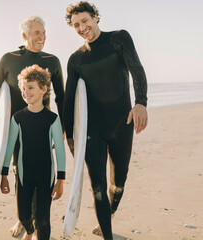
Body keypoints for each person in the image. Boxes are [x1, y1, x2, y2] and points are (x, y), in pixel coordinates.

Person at [63, 2, 148, 240]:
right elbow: (69, 101)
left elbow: (137, 69)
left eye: (85, 21)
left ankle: (110, 212)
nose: (82, 27)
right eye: (76, 25)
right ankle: (107, 235)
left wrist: (141, 102)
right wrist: (69, 135)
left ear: (96, 17)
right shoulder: (76, 60)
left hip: (123, 124)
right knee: (97, 187)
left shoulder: (119, 39)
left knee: (118, 181)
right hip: (92, 132)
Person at [0, 16, 65, 238]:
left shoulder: (53, 60)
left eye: (43, 32)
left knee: (39, 172)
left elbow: (62, 97)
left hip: (41, 128)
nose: (42, 37)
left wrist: (64, 128)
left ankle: (34, 224)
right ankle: (24, 220)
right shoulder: (9, 59)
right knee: (20, 173)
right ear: (24, 36)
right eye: (36, 33)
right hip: (15, 126)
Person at [0, 64, 66, 240]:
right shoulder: (18, 118)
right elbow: (9, 147)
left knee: (43, 220)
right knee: (23, 215)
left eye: (30, 88)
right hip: (24, 176)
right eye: (23, 88)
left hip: (46, 176)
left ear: (44, 89)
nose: (25, 92)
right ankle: (29, 231)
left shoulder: (52, 119)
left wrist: (60, 180)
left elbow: (60, 150)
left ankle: (39, 234)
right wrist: (4, 174)